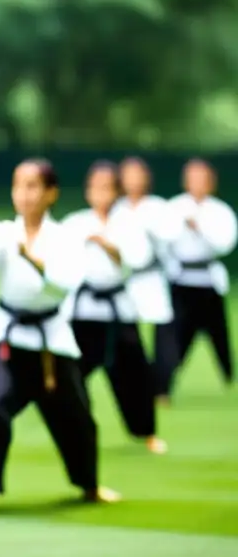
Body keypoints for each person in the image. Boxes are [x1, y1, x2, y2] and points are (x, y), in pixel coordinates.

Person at [0, 159, 120, 516]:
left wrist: (34, 260)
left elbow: (66, 283)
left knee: (78, 419)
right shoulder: (3, 233)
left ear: (50, 193)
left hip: (52, 342)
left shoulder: (64, 238)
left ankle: (89, 485)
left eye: (32, 186)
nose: (23, 195)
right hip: (9, 340)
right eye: (18, 186)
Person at [63, 161, 166, 454]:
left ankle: (146, 432)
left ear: (117, 192)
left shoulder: (128, 223)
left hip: (118, 310)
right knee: (71, 375)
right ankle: (77, 430)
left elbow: (137, 259)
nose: (100, 194)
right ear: (87, 191)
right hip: (82, 311)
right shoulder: (75, 223)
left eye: (107, 188)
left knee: (134, 375)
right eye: (95, 188)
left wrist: (107, 245)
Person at [112, 157, 185, 406]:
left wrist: (149, 228)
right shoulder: (116, 208)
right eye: (128, 175)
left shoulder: (158, 208)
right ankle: (135, 386)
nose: (133, 181)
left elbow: (172, 235)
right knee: (126, 337)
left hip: (152, 277)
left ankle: (161, 387)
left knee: (164, 335)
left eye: (137, 175)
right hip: (124, 280)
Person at [161, 159, 236, 397]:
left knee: (220, 337)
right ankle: (165, 384)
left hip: (209, 281)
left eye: (202, 179)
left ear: (211, 183)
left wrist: (200, 227)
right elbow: (163, 242)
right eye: (193, 179)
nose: (197, 184)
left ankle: (229, 376)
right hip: (181, 280)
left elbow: (226, 243)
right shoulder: (174, 208)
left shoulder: (220, 211)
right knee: (177, 337)